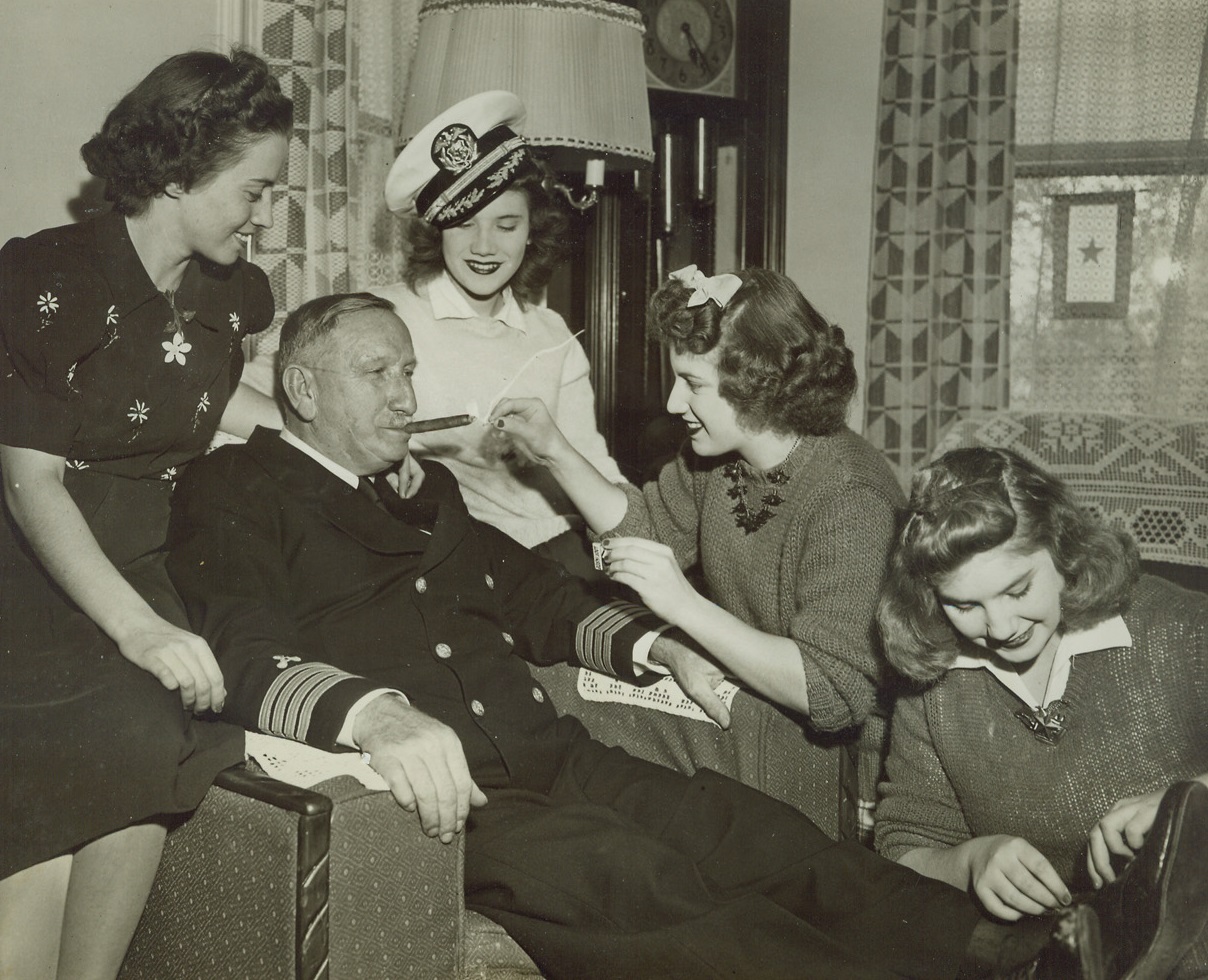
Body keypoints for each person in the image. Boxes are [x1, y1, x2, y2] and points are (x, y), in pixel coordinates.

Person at [164, 291, 1138, 980]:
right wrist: (377, 716)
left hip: (552, 749)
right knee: (631, 874)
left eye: (408, 370)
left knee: (742, 826)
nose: (403, 395)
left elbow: (539, 598)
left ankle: (1003, 952)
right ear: (298, 387)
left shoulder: (431, 489)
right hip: (447, 790)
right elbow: (245, 652)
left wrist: (656, 647)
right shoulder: (234, 489)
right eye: (376, 373)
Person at [0, 49, 291, 978]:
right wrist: (139, 631)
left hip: (138, 557)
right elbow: (30, 481)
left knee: (153, 736)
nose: (266, 211)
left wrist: (339, 445)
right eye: (253, 189)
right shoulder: (47, 278)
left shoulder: (226, 293)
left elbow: (207, 404)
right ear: (174, 174)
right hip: (33, 566)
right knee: (96, 746)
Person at [490, 264, 902, 832]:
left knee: (561, 716)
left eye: (694, 383)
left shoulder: (851, 496)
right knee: (556, 679)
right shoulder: (716, 461)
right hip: (746, 703)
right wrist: (554, 450)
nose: (672, 401)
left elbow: (832, 692)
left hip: (822, 761)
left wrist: (683, 606)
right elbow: (646, 533)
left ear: (758, 382)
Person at [875, 446, 1208, 979]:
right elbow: (902, 845)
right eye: (965, 605)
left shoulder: (1179, 630)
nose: (1001, 626)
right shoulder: (935, 682)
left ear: (1062, 545)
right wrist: (969, 862)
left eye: (1018, 588)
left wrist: (1190, 804)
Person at [369, 90, 623, 579]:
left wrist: (629, 567)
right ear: (436, 232)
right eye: (464, 225)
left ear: (532, 230)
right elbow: (248, 392)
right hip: (456, 563)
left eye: (506, 225)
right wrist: (374, 458)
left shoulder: (551, 333)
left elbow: (595, 468)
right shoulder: (384, 315)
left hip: (565, 552)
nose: (484, 247)